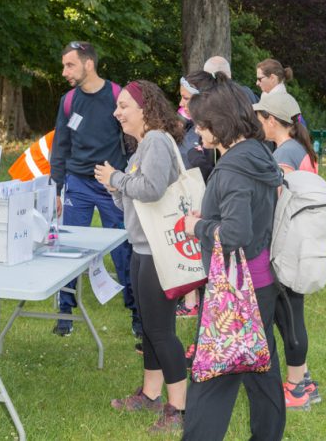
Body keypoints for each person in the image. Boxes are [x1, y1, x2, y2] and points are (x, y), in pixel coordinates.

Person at [182, 75, 285, 440]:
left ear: (220, 124)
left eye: (201, 124)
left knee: (211, 380)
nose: (196, 131)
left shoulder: (231, 169)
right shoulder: (258, 153)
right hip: (261, 284)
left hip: (235, 290)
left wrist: (198, 226)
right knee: (262, 371)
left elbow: (236, 233)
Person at [94, 80, 188, 434]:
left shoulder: (157, 142)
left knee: (162, 330)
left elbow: (151, 190)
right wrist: (115, 187)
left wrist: (116, 177)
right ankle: (150, 394)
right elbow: (131, 200)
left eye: (123, 106)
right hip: (142, 249)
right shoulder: (142, 147)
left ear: (145, 109)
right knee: (150, 326)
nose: (117, 112)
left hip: (157, 252)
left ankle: (178, 408)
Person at [50, 41, 140, 339]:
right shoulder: (68, 101)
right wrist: (57, 188)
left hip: (112, 183)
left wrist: (127, 176)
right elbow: (60, 146)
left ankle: (136, 310)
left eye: (70, 65)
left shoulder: (117, 96)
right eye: (64, 65)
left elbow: (133, 135)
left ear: (88, 64)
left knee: (122, 246)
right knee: (70, 248)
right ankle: (65, 310)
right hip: (78, 183)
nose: (65, 71)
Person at [254, 91, 321, 411]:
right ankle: (304, 379)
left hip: (290, 243)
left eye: (260, 118)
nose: (256, 123)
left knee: (290, 316)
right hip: (300, 242)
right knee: (289, 314)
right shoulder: (294, 147)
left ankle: (297, 389)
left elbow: (279, 200)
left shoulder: (285, 155)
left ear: (271, 121)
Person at [174, 71, 220, 320]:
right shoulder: (190, 126)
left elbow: (218, 171)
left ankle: (201, 302)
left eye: (184, 98)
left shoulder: (216, 130)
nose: (181, 104)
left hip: (208, 203)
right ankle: (192, 299)